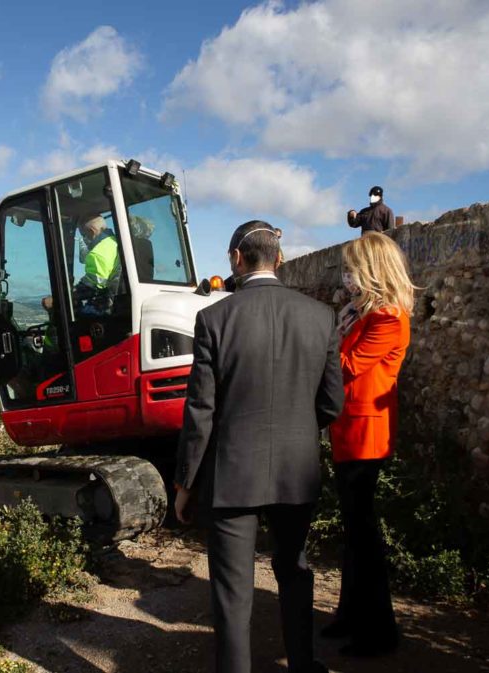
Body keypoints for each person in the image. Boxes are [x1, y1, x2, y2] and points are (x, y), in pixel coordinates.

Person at [175, 220, 344, 673]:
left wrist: (185, 483)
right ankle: (304, 663)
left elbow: (200, 412)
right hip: (296, 467)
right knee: (295, 571)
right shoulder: (321, 316)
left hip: (233, 474)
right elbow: (331, 403)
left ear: (236, 259)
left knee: (232, 589)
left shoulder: (213, 318)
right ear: (280, 259)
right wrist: (298, 432)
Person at [321, 231, 416, 657]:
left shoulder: (388, 318)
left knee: (363, 534)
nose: (346, 276)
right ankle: (351, 616)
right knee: (354, 530)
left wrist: (317, 341)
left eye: (352, 268)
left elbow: (347, 366)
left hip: (366, 433)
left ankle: (378, 633)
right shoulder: (359, 313)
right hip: (350, 428)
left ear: (372, 270)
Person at [73, 215, 121, 313]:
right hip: (117, 299)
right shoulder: (114, 241)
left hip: (108, 305)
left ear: (92, 231)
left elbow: (91, 287)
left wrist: (68, 295)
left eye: (84, 235)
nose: (84, 240)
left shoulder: (97, 253)